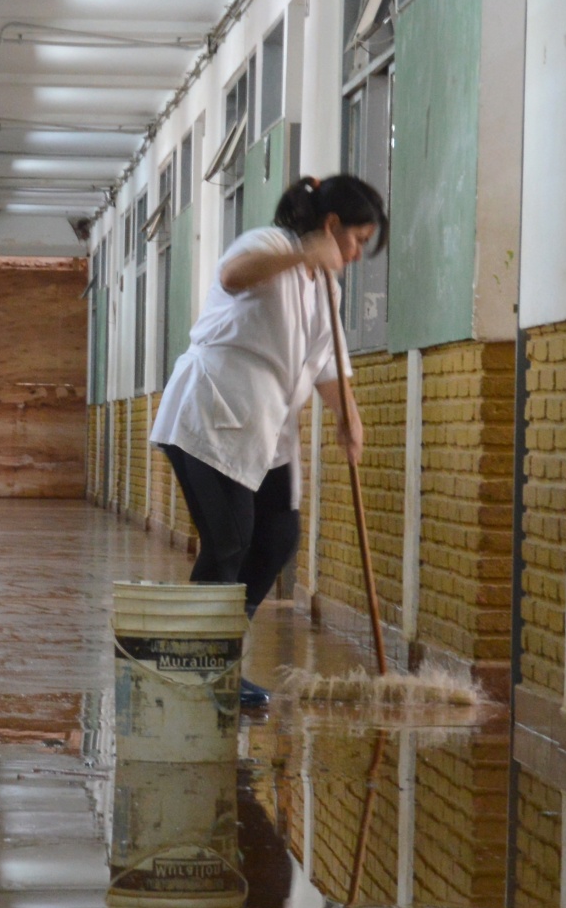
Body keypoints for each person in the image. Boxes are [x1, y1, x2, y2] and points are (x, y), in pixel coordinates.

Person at [147, 175, 388, 664]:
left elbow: (324, 364)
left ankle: (222, 653)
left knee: (278, 536)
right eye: (357, 240)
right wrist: (303, 253)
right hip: (212, 413)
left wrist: (349, 416)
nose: (358, 254)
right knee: (229, 541)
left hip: (267, 428)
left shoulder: (328, 290)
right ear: (331, 224)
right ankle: (196, 662)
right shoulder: (271, 244)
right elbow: (234, 275)